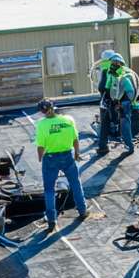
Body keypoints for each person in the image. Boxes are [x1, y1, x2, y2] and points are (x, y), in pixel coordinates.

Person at [35, 98, 88, 232]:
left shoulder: (41, 124)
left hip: (51, 157)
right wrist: (77, 153)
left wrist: (40, 158)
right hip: (67, 155)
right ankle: (82, 210)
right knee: (75, 183)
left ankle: (52, 219)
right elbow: (75, 139)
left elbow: (40, 146)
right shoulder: (68, 120)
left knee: (49, 189)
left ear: (42, 111)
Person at [97, 50, 139, 156]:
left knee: (124, 125)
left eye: (116, 63)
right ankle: (109, 145)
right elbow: (107, 87)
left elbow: (130, 92)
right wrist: (108, 98)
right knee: (112, 122)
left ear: (120, 64)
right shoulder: (111, 74)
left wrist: (124, 103)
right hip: (114, 102)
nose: (113, 65)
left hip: (123, 103)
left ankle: (129, 146)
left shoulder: (124, 76)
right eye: (112, 62)